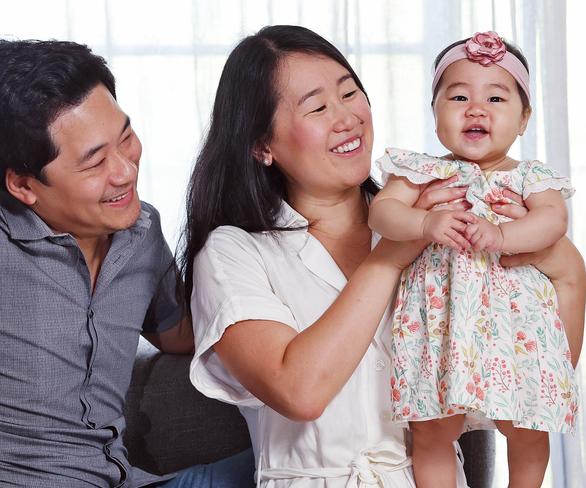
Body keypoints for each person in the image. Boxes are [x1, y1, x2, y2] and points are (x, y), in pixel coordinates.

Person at [181, 25, 585, 487]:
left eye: (350, 93)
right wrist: (391, 256)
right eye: (317, 107)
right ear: (261, 145)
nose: (346, 117)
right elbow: (299, 392)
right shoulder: (235, 252)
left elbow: (534, 369)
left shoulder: (447, 214)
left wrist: (562, 266)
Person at [0, 39, 253, 487]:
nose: (125, 170)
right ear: (24, 185)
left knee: (296, 465)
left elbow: (183, 334)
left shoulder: (139, 232)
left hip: (127, 480)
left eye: (125, 138)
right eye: (95, 162)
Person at [367, 31, 584, 487]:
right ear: (435, 112)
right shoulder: (422, 172)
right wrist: (424, 224)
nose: (476, 109)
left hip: (518, 337)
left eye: (496, 98)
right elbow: (382, 212)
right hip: (442, 333)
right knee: (430, 432)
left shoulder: (530, 178)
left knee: (527, 431)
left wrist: (503, 233)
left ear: (524, 119)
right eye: (459, 95)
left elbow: (552, 222)